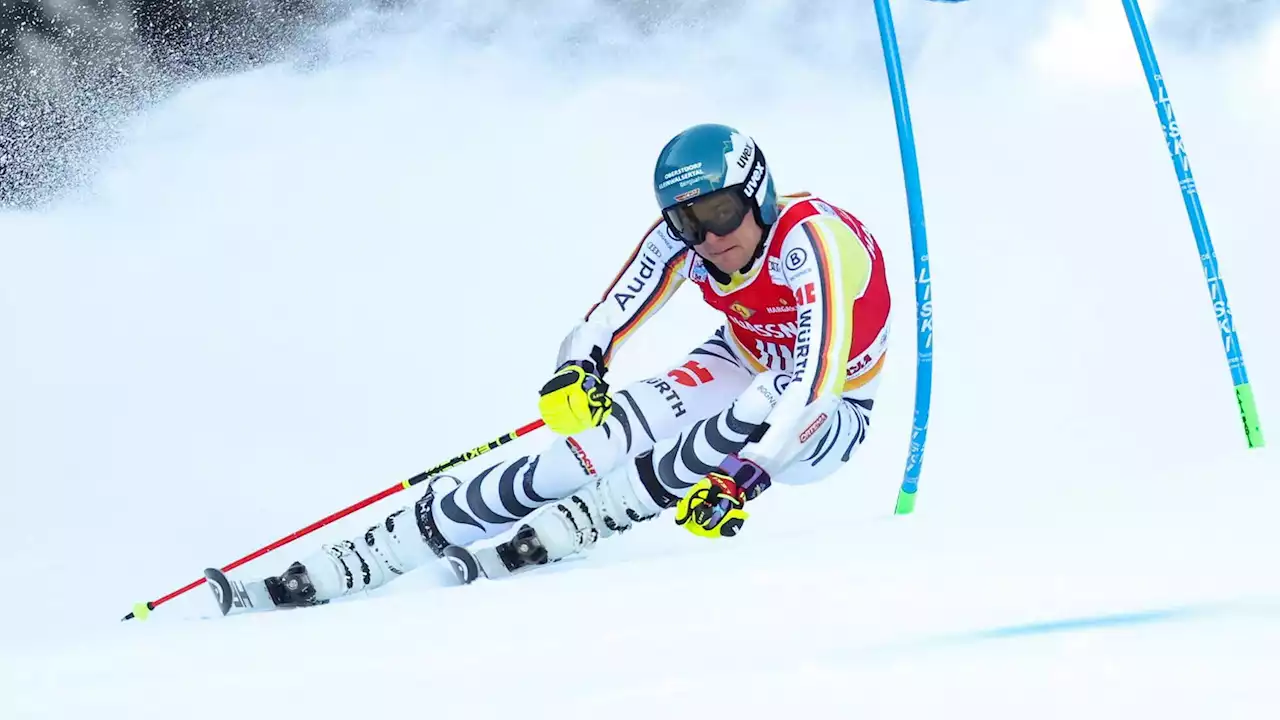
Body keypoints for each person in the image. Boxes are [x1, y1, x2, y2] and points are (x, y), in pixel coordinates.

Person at [228, 123, 892, 612]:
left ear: (757, 192)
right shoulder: (681, 243)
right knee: (605, 432)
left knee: (766, 396)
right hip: (740, 360)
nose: (710, 237)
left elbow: (817, 374)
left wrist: (748, 475)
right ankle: (384, 548)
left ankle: (598, 514)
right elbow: (602, 322)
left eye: (720, 211)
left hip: (828, 415)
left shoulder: (810, 240)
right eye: (690, 220)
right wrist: (579, 371)